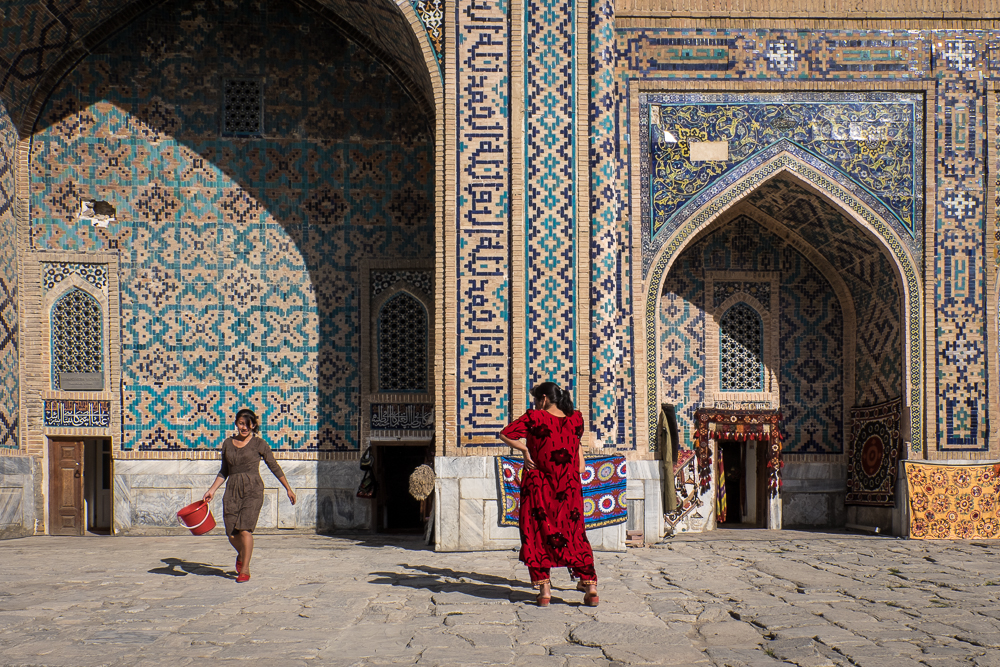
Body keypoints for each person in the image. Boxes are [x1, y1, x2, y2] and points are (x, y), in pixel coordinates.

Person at [499, 382, 599, 607]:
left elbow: (505, 434)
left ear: (543, 399)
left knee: (536, 533)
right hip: (569, 486)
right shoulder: (576, 418)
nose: (535, 404)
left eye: (536, 400)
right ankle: (590, 585)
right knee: (574, 532)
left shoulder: (535, 417)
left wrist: (525, 450)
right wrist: (579, 463)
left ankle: (545, 590)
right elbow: (577, 445)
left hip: (539, 485)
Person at [203, 409, 296, 583]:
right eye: (241, 423)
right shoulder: (228, 444)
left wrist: (288, 488)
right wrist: (212, 490)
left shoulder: (259, 444)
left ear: (253, 425)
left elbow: (273, 466)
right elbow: (224, 470)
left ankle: (244, 569)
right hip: (232, 489)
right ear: (236, 424)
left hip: (252, 489)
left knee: (245, 529)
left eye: (247, 424)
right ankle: (242, 555)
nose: (244, 427)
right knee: (231, 532)